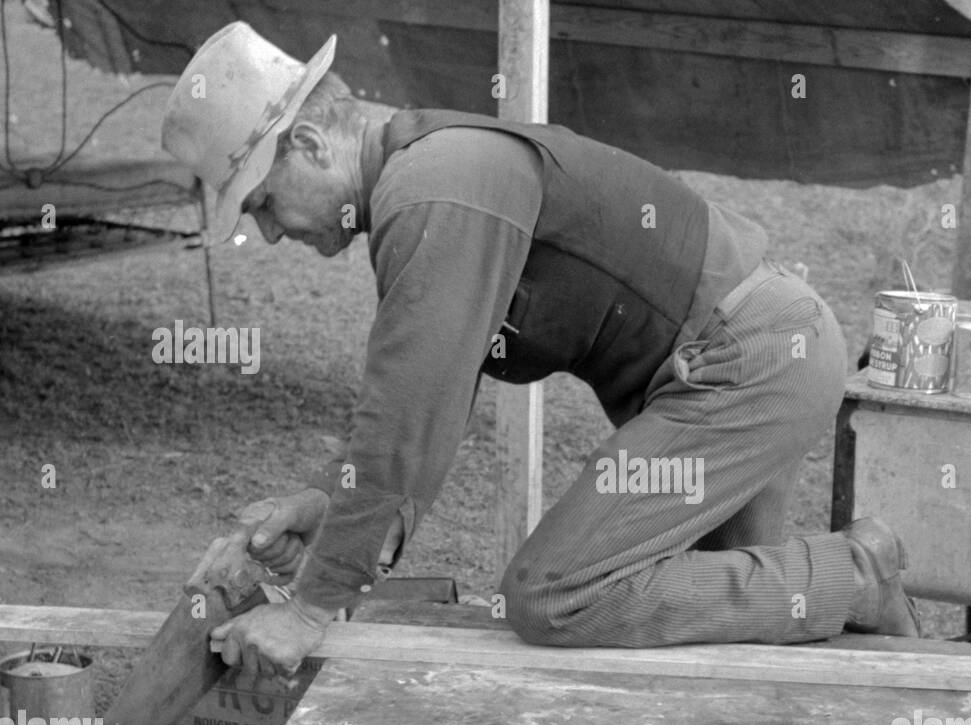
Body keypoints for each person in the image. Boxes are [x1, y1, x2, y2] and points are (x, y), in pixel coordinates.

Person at [158, 22, 919, 679]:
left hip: (745, 365)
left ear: (311, 144)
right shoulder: (424, 173)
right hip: (751, 355)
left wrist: (313, 606)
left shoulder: (432, 188)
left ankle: (861, 576)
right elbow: (435, 396)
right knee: (747, 647)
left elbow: (404, 414)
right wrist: (330, 504)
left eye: (260, 201)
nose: (266, 230)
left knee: (555, 591)